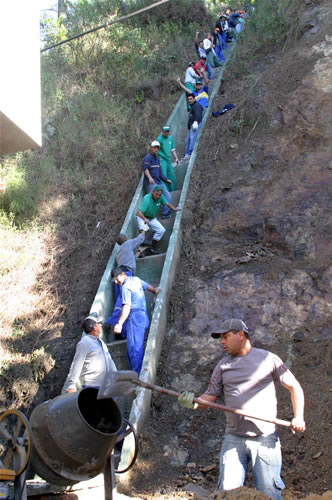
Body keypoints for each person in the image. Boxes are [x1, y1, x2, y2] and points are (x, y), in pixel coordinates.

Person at [177, 318, 306, 500]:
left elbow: (295, 387)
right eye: (220, 338)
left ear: (240, 335)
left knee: (269, 494)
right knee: (228, 494)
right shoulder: (223, 366)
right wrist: (193, 402)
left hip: (265, 439)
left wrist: (298, 417)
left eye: (225, 337)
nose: (221, 342)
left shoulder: (268, 359)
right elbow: (209, 398)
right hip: (234, 439)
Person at [112, 267, 161, 374]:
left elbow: (126, 306)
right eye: (114, 281)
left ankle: (139, 377)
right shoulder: (136, 279)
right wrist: (154, 291)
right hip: (143, 317)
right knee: (134, 348)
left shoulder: (125, 288)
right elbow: (148, 286)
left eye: (117, 279)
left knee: (134, 350)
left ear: (123, 274)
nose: (116, 282)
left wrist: (119, 323)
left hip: (134, 318)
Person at [66, 314, 117, 392]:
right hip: (92, 386)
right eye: (99, 324)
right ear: (94, 327)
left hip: (106, 385)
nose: (101, 325)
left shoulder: (101, 342)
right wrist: (71, 384)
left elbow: (109, 360)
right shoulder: (84, 343)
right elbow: (77, 363)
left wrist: (116, 376)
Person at [136, 185, 181, 252]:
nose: (158, 196)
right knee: (143, 230)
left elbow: (167, 204)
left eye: (159, 195)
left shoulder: (160, 197)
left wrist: (174, 209)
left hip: (151, 218)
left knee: (161, 230)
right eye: (156, 194)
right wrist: (144, 219)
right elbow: (138, 212)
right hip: (142, 217)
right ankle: (140, 251)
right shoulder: (147, 199)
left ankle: (151, 248)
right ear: (153, 192)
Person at [143, 140, 173, 219]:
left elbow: (160, 174)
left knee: (168, 196)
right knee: (152, 201)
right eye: (154, 147)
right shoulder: (148, 158)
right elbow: (146, 169)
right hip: (152, 184)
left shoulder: (157, 159)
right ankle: (150, 217)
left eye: (157, 147)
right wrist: (150, 178)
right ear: (151, 148)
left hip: (159, 183)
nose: (156, 149)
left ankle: (165, 214)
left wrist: (167, 180)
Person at [156, 125, 179, 192]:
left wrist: (176, 158)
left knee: (172, 176)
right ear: (162, 132)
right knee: (164, 177)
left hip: (168, 160)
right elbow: (156, 150)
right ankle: (166, 193)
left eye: (168, 131)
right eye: (165, 132)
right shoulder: (159, 139)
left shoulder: (170, 138)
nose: (166, 133)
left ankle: (172, 190)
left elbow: (172, 149)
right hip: (162, 160)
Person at [183, 94, 204, 159]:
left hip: (195, 124)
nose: (189, 100)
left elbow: (198, 114)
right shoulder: (193, 106)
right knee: (188, 140)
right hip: (192, 125)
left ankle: (190, 153)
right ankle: (186, 154)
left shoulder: (197, 105)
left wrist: (196, 122)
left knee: (193, 138)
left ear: (194, 98)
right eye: (188, 99)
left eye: (191, 99)